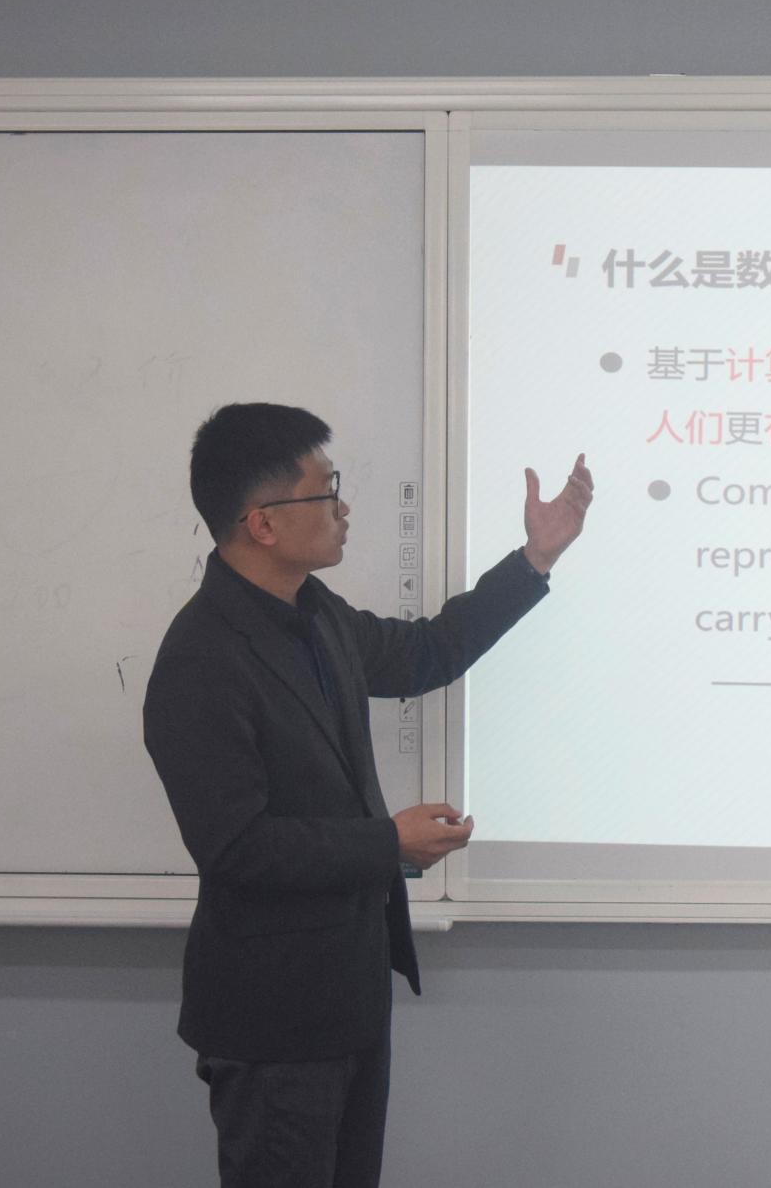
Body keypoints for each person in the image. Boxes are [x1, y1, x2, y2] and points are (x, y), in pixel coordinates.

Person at [143, 402, 591, 1187]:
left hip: (346, 998)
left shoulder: (314, 615)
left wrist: (534, 560)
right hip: (272, 1019)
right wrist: (391, 842)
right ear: (263, 523)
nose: (344, 508)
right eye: (326, 491)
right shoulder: (202, 659)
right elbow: (236, 847)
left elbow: (426, 653)